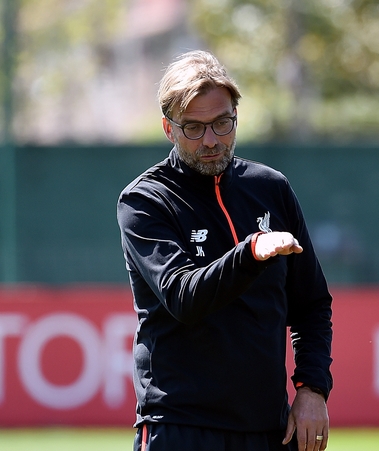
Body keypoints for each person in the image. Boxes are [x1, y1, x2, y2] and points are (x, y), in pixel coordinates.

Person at [117, 50, 333, 451]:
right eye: (194, 128)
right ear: (169, 129)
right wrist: (251, 251)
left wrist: (312, 388)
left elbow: (312, 306)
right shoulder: (145, 200)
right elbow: (184, 297)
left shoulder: (271, 188)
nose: (212, 140)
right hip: (179, 426)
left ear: (236, 116)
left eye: (221, 123)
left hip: (267, 429)